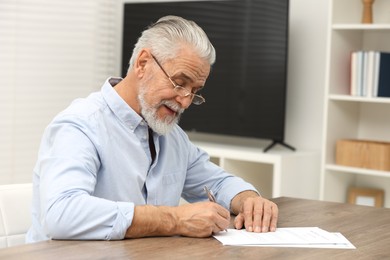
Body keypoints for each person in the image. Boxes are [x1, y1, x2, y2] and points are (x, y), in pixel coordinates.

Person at [26, 15, 278, 242]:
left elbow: (218, 182)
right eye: (180, 83)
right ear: (143, 63)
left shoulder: (172, 137)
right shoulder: (80, 125)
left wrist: (249, 200)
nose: (186, 101)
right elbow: (61, 213)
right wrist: (175, 219)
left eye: (195, 92)